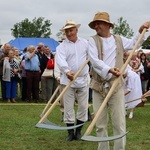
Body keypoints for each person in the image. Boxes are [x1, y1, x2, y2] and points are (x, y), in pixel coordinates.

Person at [88, 12, 149, 150]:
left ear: (108, 25)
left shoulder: (119, 39)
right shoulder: (92, 41)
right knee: (100, 124)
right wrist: (109, 69)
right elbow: (95, 61)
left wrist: (141, 31)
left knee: (119, 123)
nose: (96, 26)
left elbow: (135, 43)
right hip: (98, 87)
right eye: (95, 24)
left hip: (116, 87)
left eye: (99, 23)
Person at [56, 20, 89, 141]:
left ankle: (79, 131)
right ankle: (70, 133)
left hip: (83, 79)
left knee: (83, 107)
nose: (69, 33)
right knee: (68, 107)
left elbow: (92, 57)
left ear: (76, 30)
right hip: (67, 80)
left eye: (71, 30)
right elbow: (60, 60)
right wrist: (67, 71)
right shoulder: (62, 47)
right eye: (67, 31)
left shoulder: (85, 43)